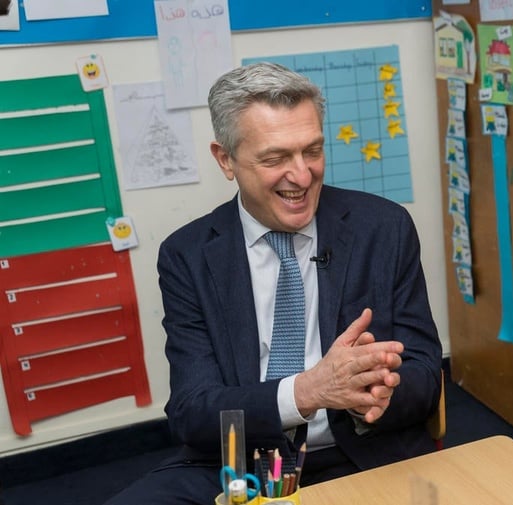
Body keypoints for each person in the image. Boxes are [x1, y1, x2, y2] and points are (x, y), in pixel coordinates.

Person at [105, 62, 442, 505]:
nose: (301, 176)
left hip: (365, 452)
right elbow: (192, 412)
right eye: (275, 158)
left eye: (313, 151)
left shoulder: (384, 228)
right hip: (237, 462)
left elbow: (424, 371)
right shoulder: (187, 255)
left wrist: (372, 394)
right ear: (225, 158)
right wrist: (306, 391)